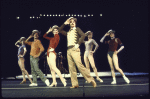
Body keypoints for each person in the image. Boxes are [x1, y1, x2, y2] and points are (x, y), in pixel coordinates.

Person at [58, 17, 97, 88]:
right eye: (71, 22)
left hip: (75, 49)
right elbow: (59, 30)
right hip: (68, 50)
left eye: (73, 22)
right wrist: (65, 23)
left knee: (79, 65)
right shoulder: (68, 32)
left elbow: (83, 35)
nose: (72, 23)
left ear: (75, 23)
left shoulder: (77, 29)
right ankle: (75, 84)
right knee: (71, 68)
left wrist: (78, 44)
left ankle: (91, 80)